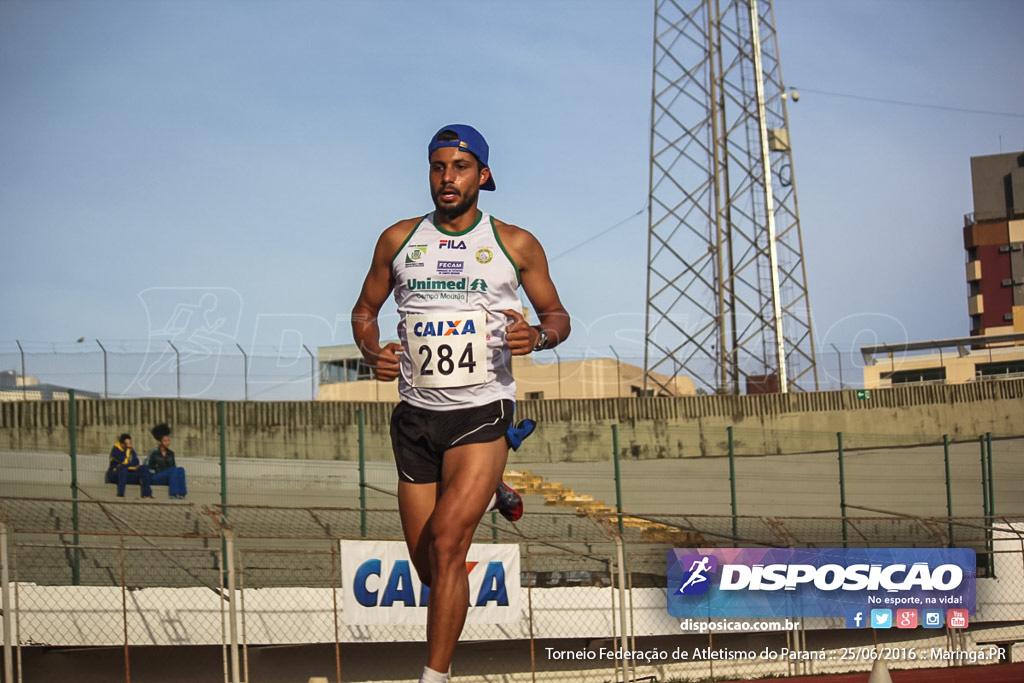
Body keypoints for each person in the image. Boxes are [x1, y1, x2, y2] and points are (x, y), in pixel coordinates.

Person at [351, 124, 570, 683]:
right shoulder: (398, 239)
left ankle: (434, 677)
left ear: (484, 175)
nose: (447, 178)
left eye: (460, 167)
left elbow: (558, 317)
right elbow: (363, 312)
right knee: (430, 565)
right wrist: (372, 352)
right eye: (437, 167)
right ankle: (493, 489)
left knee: (450, 544)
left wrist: (538, 338)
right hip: (416, 418)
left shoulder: (514, 243)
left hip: (482, 412)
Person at [146, 423, 188, 499]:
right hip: (155, 477)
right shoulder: (153, 453)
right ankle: (173, 495)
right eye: (165, 441)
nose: (168, 443)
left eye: (168, 440)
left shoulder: (171, 453)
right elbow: (146, 467)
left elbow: (174, 467)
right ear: (160, 442)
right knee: (173, 470)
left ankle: (182, 494)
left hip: (167, 475)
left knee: (181, 469)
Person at [106, 433, 154, 499]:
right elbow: (123, 461)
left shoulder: (130, 449)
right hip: (115, 475)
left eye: (130, 443)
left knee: (144, 468)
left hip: (127, 474)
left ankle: (147, 494)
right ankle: (121, 494)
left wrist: (128, 464)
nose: (129, 445)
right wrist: (127, 451)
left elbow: (136, 462)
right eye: (127, 443)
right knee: (123, 468)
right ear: (122, 444)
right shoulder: (115, 450)